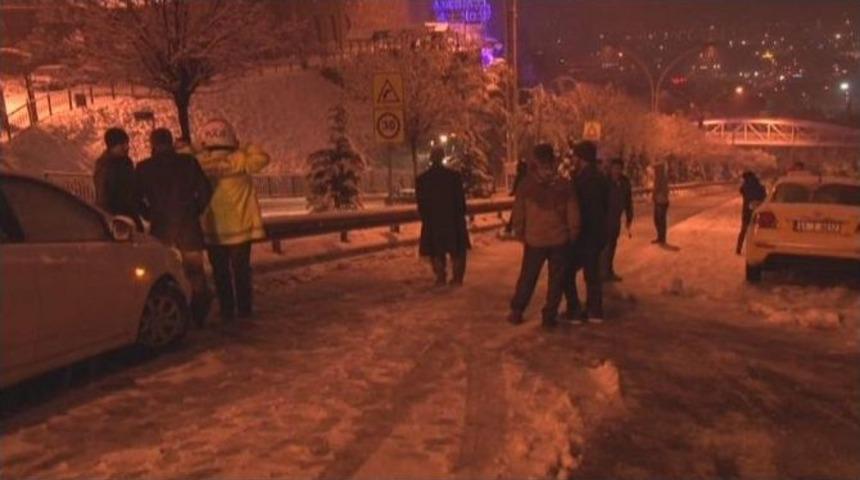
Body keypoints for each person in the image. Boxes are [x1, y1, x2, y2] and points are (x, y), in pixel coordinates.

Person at [136, 128, 213, 326]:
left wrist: (149, 214)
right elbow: (205, 191)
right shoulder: (188, 163)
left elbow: (136, 199)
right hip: (189, 227)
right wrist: (195, 210)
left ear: (153, 144)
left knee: (165, 272)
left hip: (162, 229)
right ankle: (200, 314)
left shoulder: (144, 168)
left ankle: (176, 313)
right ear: (171, 142)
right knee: (195, 272)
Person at [195, 119, 271, 321]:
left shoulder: (199, 163)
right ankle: (244, 309)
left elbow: (186, 155)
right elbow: (263, 158)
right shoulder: (241, 160)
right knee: (241, 272)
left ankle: (227, 310)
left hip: (213, 230)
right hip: (241, 229)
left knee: (220, 273)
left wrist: (194, 147)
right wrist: (246, 145)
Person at [508, 144, 581, 328]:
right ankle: (549, 315)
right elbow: (574, 212)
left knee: (528, 277)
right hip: (560, 240)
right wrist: (573, 232)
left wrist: (520, 232)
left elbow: (518, 213)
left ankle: (517, 310)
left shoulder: (526, 185)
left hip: (534, 240)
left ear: (535, 161)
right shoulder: (565, 185)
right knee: (556, 280)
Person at [564, 141, 609, 324]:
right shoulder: (601, 178)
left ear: (581, 158)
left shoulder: (581, 180)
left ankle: (574, 310)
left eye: (575, 156)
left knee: (566, 271)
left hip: (583, 234)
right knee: (592, 274)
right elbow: (606, 207)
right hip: (596, 234)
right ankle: (595, 311)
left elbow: (578, 208)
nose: (572, 159)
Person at [416, 147, 470, 287]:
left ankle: (440, 276)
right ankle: (457, 277)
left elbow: (422, 204)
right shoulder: (454, 177)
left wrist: (426, 218)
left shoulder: (422, 180)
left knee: (435, 249)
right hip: (453, 220)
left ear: (430, 158)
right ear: (443, 157)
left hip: (433, 221)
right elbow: (460, 202)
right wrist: (460, 215)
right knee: (457, 249)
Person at [93, 128, 142, 229]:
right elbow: (103, 195)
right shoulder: (105, 166)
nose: (127, 147)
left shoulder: (126, 162)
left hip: (129, 213)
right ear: (112, 146)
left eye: (127, 143)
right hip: (115, 216)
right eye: (122, 144)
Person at [602, 158, 633, 281]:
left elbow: (628, 200)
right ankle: (602, 273)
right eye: (615, 168)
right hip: (605, 219)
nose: (617, 171)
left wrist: (629, 216)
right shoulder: (605, 182)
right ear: (611, 168)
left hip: (616, 219)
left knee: (612, 246)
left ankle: (609, 271)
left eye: (619, 168)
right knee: (605, 247)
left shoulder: (625, 182)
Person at [736, 171, 767, 255]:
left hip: (746, 211)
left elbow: (741, 191)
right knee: (757, 230)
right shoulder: (760, 186)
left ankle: (738, 248)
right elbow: (764, 197)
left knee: (743, 230)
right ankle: (756, 249)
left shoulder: (745, 187)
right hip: (758, 210)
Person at [651, 160, 670, 245]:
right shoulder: (660, 178)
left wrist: (655, 196)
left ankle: (661, 238)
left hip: (661, 202)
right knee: (659, 220)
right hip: (660, 201)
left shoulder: (661, 179)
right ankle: (661, 237)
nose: (655, 171)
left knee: (659, 220)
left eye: (656, 169)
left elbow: (661, 191)